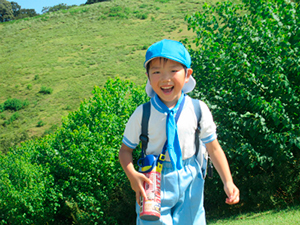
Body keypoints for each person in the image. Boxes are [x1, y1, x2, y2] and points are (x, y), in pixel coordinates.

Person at [119, 39, 239, 224]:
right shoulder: (143, 113)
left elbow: (214, 149)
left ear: (187, 74)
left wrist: (228, 182)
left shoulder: (198, 109)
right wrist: (132, 175)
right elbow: (125, 150)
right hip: (153, 180)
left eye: (173, 71)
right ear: (148, 76)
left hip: (191, 177)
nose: (165, 79)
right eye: (157, 72)